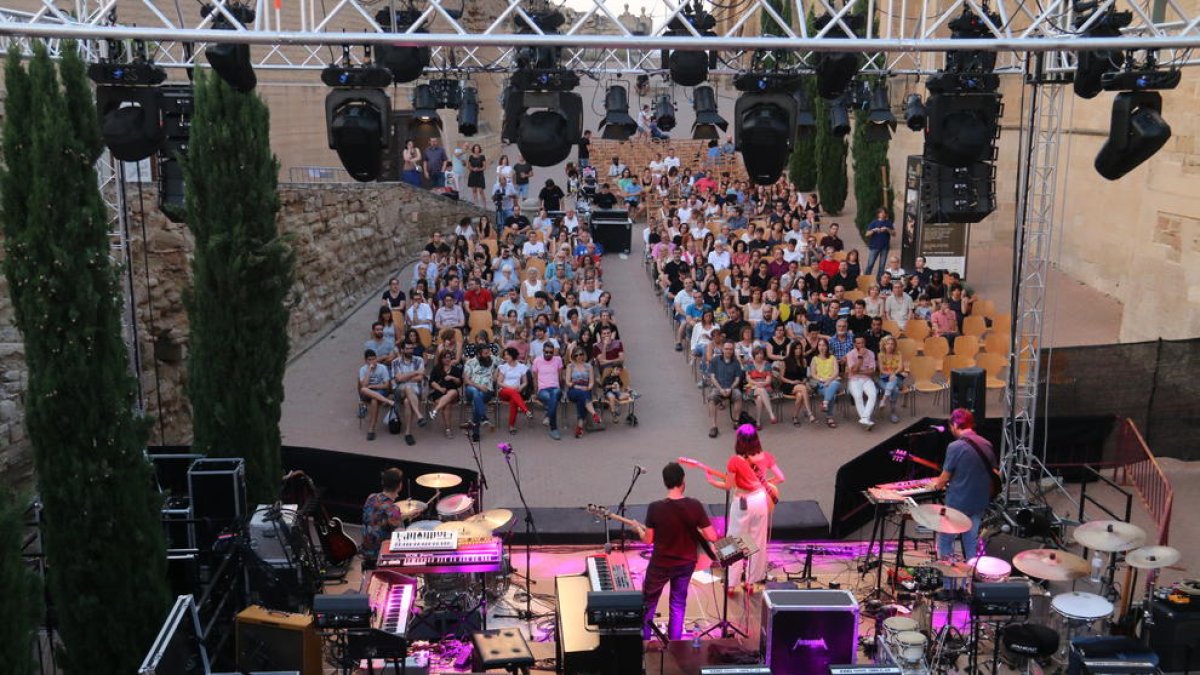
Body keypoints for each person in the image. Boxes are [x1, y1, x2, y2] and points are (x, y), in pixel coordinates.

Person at [638, 462, 718, 641]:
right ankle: (675, 646)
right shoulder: (695, 505)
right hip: (685, 563)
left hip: (660, 564)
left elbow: (648, 540)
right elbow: (712, 536)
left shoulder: (655, 507)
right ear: (683, 481)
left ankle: (645, 646)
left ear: (665, 482)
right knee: (678, 603)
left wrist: (640, 532)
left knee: (649, 603)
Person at [705, 426, 784, 591]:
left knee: (734, 541)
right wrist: (765, 485)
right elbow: (781, 478)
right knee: (757, 541)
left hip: (742, 501)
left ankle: (732, 584)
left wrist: (712, 482)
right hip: (760, 501)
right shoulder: (766, 457)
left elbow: (729, 485)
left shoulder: (735, 461)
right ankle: (751, 582)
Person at [931, 409, 996, 561]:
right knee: (970, 543)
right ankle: (971, 581)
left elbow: (943, 479)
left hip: (957, 504)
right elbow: (994, 473)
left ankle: (949, 583)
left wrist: (933, 486)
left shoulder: (955, 447)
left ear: (955, 424)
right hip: (979, 503)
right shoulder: (987, 444)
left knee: (945, 544)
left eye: (951, 426)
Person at [361, 467, 406, 570]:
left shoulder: (371, 497)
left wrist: (406, 516)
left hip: (366, 552)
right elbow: (401, 538)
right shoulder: (393, 509)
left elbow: (381, 520)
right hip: (379, 557)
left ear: (383, 482)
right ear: (400, 486)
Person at [706, 341, 744, 438]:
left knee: (738, 395)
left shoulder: (736, 363)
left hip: (731, 387)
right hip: (718, 387)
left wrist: (731, 388)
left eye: (730, 349)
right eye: (726, 349)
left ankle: (736, 421)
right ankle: (714, 426)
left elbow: (737, 379)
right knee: (711, 398)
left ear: (733, 351)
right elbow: (712, 377)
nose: (728, 351)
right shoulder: (715, 360)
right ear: (723, 349)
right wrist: (720, 389)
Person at [391, 341, 425, 446]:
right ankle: (419, 415)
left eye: (412, 348)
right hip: (399, 391)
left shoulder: (419, 360)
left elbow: (420, 377)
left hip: (415, 390)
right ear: (402, 350)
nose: (411, 350)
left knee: (407, 402)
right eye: (408, 348)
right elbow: (399, 378)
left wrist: (405, 377)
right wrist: (414, 372)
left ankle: (408, 433)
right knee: (407, 386)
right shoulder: (395, 362)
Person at [463, 344, 498, 441]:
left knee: (476, 399)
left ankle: (476, 430)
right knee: (475, 392)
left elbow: (506, 363)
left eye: (489, 352)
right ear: (478, 354)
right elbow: (466, 380)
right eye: (485, 353)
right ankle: (483, 418)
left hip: (487, 391)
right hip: (472, 388)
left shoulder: (493, 359)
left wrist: (497, 371)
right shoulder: (470, 362)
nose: (488, 355)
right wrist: (479, 386)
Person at [530, 342, 564, 440]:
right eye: (546, 352)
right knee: (550, 398)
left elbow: (560, 376)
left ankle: (550, 419)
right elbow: (535, 379)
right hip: (543, 389)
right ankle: (553, 428)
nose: (548, 354)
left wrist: (561, 388)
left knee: (554, 394)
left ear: (553, 352)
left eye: (551, 352)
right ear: (543, 351)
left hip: (555, 388)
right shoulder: (537, 361)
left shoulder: (558, 360)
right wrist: (535, 392)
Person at [495, 347, 533, 434]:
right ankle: (525, 410)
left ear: (513, 355)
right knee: (513, 393)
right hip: (504, 391)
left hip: (516, 392)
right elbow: (499, 382)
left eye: (507, 354)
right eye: (504, 355)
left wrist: (521, 387)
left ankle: (511, 426)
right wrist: (510, 387)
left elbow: (525, 382)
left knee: (513, 400)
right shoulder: (504, 367)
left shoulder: (522, 367)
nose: (505, 357)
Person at [565, 348, 601, 438]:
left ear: (583, 355)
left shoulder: (589, 366)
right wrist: (576, 386)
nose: (579, 357)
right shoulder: (570, 366)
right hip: (573, 389)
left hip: (585, 389)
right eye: (576, 355)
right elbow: (567, 382)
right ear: (573, 356)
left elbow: (591, 382)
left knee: (582, 398)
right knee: (582, 395)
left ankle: (579, 427)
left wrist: (588, 387)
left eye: (580, 354)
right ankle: (594, 414)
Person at [358, 349, 393, 441]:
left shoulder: (382, 368)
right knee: (364, 389)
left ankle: (371, 428)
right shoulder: (363, 369)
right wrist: (369, 370)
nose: (372, 362)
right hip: (367, 392)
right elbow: (364, 386)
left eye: (374, 359)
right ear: (366, 360)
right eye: (370, 360)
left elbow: (386, 385)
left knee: (374, 400)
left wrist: (373, 386)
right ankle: (388, 401)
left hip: (381, 391)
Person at [845, 335, 879, 430]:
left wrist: (858, 371)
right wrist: (860, 356)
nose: (861, 345)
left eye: (863, 342)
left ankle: (864, 418)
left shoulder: (871, 353)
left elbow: (871, 370)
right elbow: (853, 370)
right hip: (854, 379)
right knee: (858, 396)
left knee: (873, 394)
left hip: (867, 378)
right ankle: (866, 420)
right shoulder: (850, 354)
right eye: (859, 343)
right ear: (855, 344)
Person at [428, 349, 463, 439]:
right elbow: (431, 382)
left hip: (453, 393)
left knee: (453, 392)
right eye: (445, 358)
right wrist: (440, 388)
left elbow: (459, 383)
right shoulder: (437, 369)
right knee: (447, 404)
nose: (447, 359)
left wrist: (452, 378)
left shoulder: (455, 369)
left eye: (449, 357)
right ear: (441, 359)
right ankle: (448, 430)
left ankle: (435, 410)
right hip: (439, 393)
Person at [809, 337, 840, 428]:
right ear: (817, 347)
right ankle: (829, 417)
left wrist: (829, 380)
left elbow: (836, 372)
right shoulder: (814, 359)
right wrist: (823, 380)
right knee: (832, 393)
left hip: (832, 381)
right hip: (820, 384)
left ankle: (825, 402)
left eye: (824, 345)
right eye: (820, 345)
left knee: (835, 384)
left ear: (827, 347)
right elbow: (813, 374)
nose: (822, 347)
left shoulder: (832, 357)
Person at [877, 335, 908, 424]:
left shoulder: (898, 354)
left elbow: (901, 367)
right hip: (883, 379)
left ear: (894, 345)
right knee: (895, 389)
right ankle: (893, 412)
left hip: (898, 380)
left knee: (894, 380)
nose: (890, 346)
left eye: (892, 344)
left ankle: (883, 400)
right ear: (884, 345)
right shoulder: (880, 355)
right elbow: (882, 370)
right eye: (888, 344)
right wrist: (893, 374)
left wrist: (893, 374)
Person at [864, 208, 894, 276]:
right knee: (870, 264)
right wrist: (874, 230)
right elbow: (867, 234)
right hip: (874, 247)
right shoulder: (874, 222)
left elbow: (894, 234)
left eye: (884, 213)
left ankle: (880, 280)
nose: (882, 214)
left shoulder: (888, 223)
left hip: (885, 247)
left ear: (886, 214)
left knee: (882, 266)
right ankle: (866, 278)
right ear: (878, 214)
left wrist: (887, 229)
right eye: (881, 213)